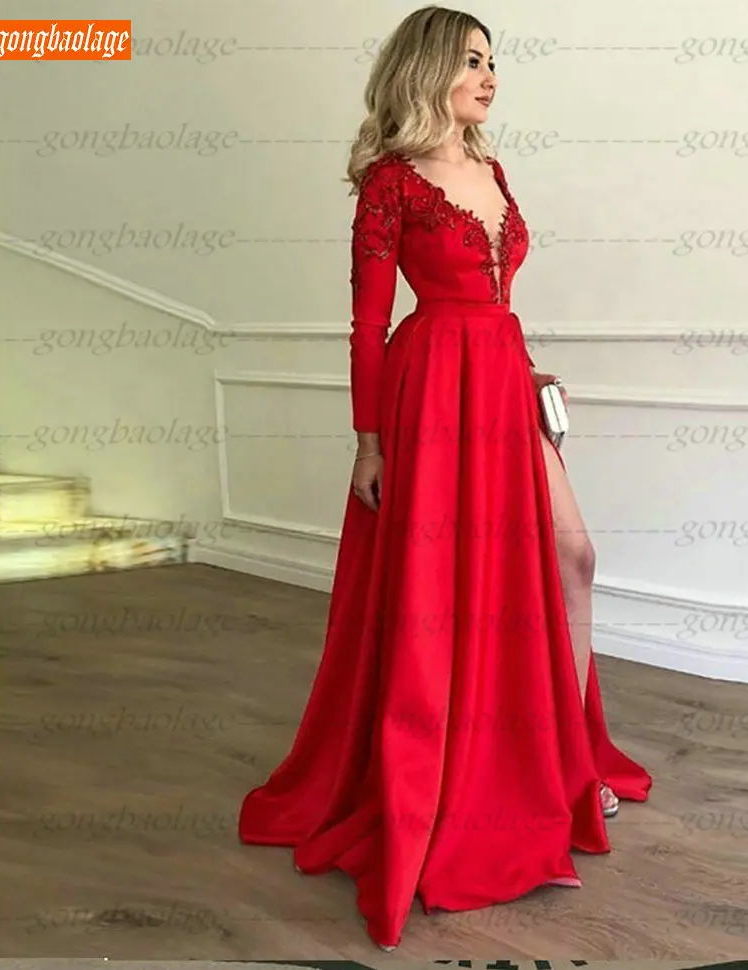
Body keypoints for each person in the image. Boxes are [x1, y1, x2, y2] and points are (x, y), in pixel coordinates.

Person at [238, 4, 653, 951]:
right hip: (430, 394)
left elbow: (496, 301)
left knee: (573, 559)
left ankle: (565, 760)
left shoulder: (493, 171)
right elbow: (368, 322)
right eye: (472, 60)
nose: (490, 75)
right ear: (428, 69)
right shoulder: (390, 183)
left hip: (502, 381)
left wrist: (526, 375)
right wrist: (369, 443)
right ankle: (467, 778)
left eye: (493, 61)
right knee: (445, 594)